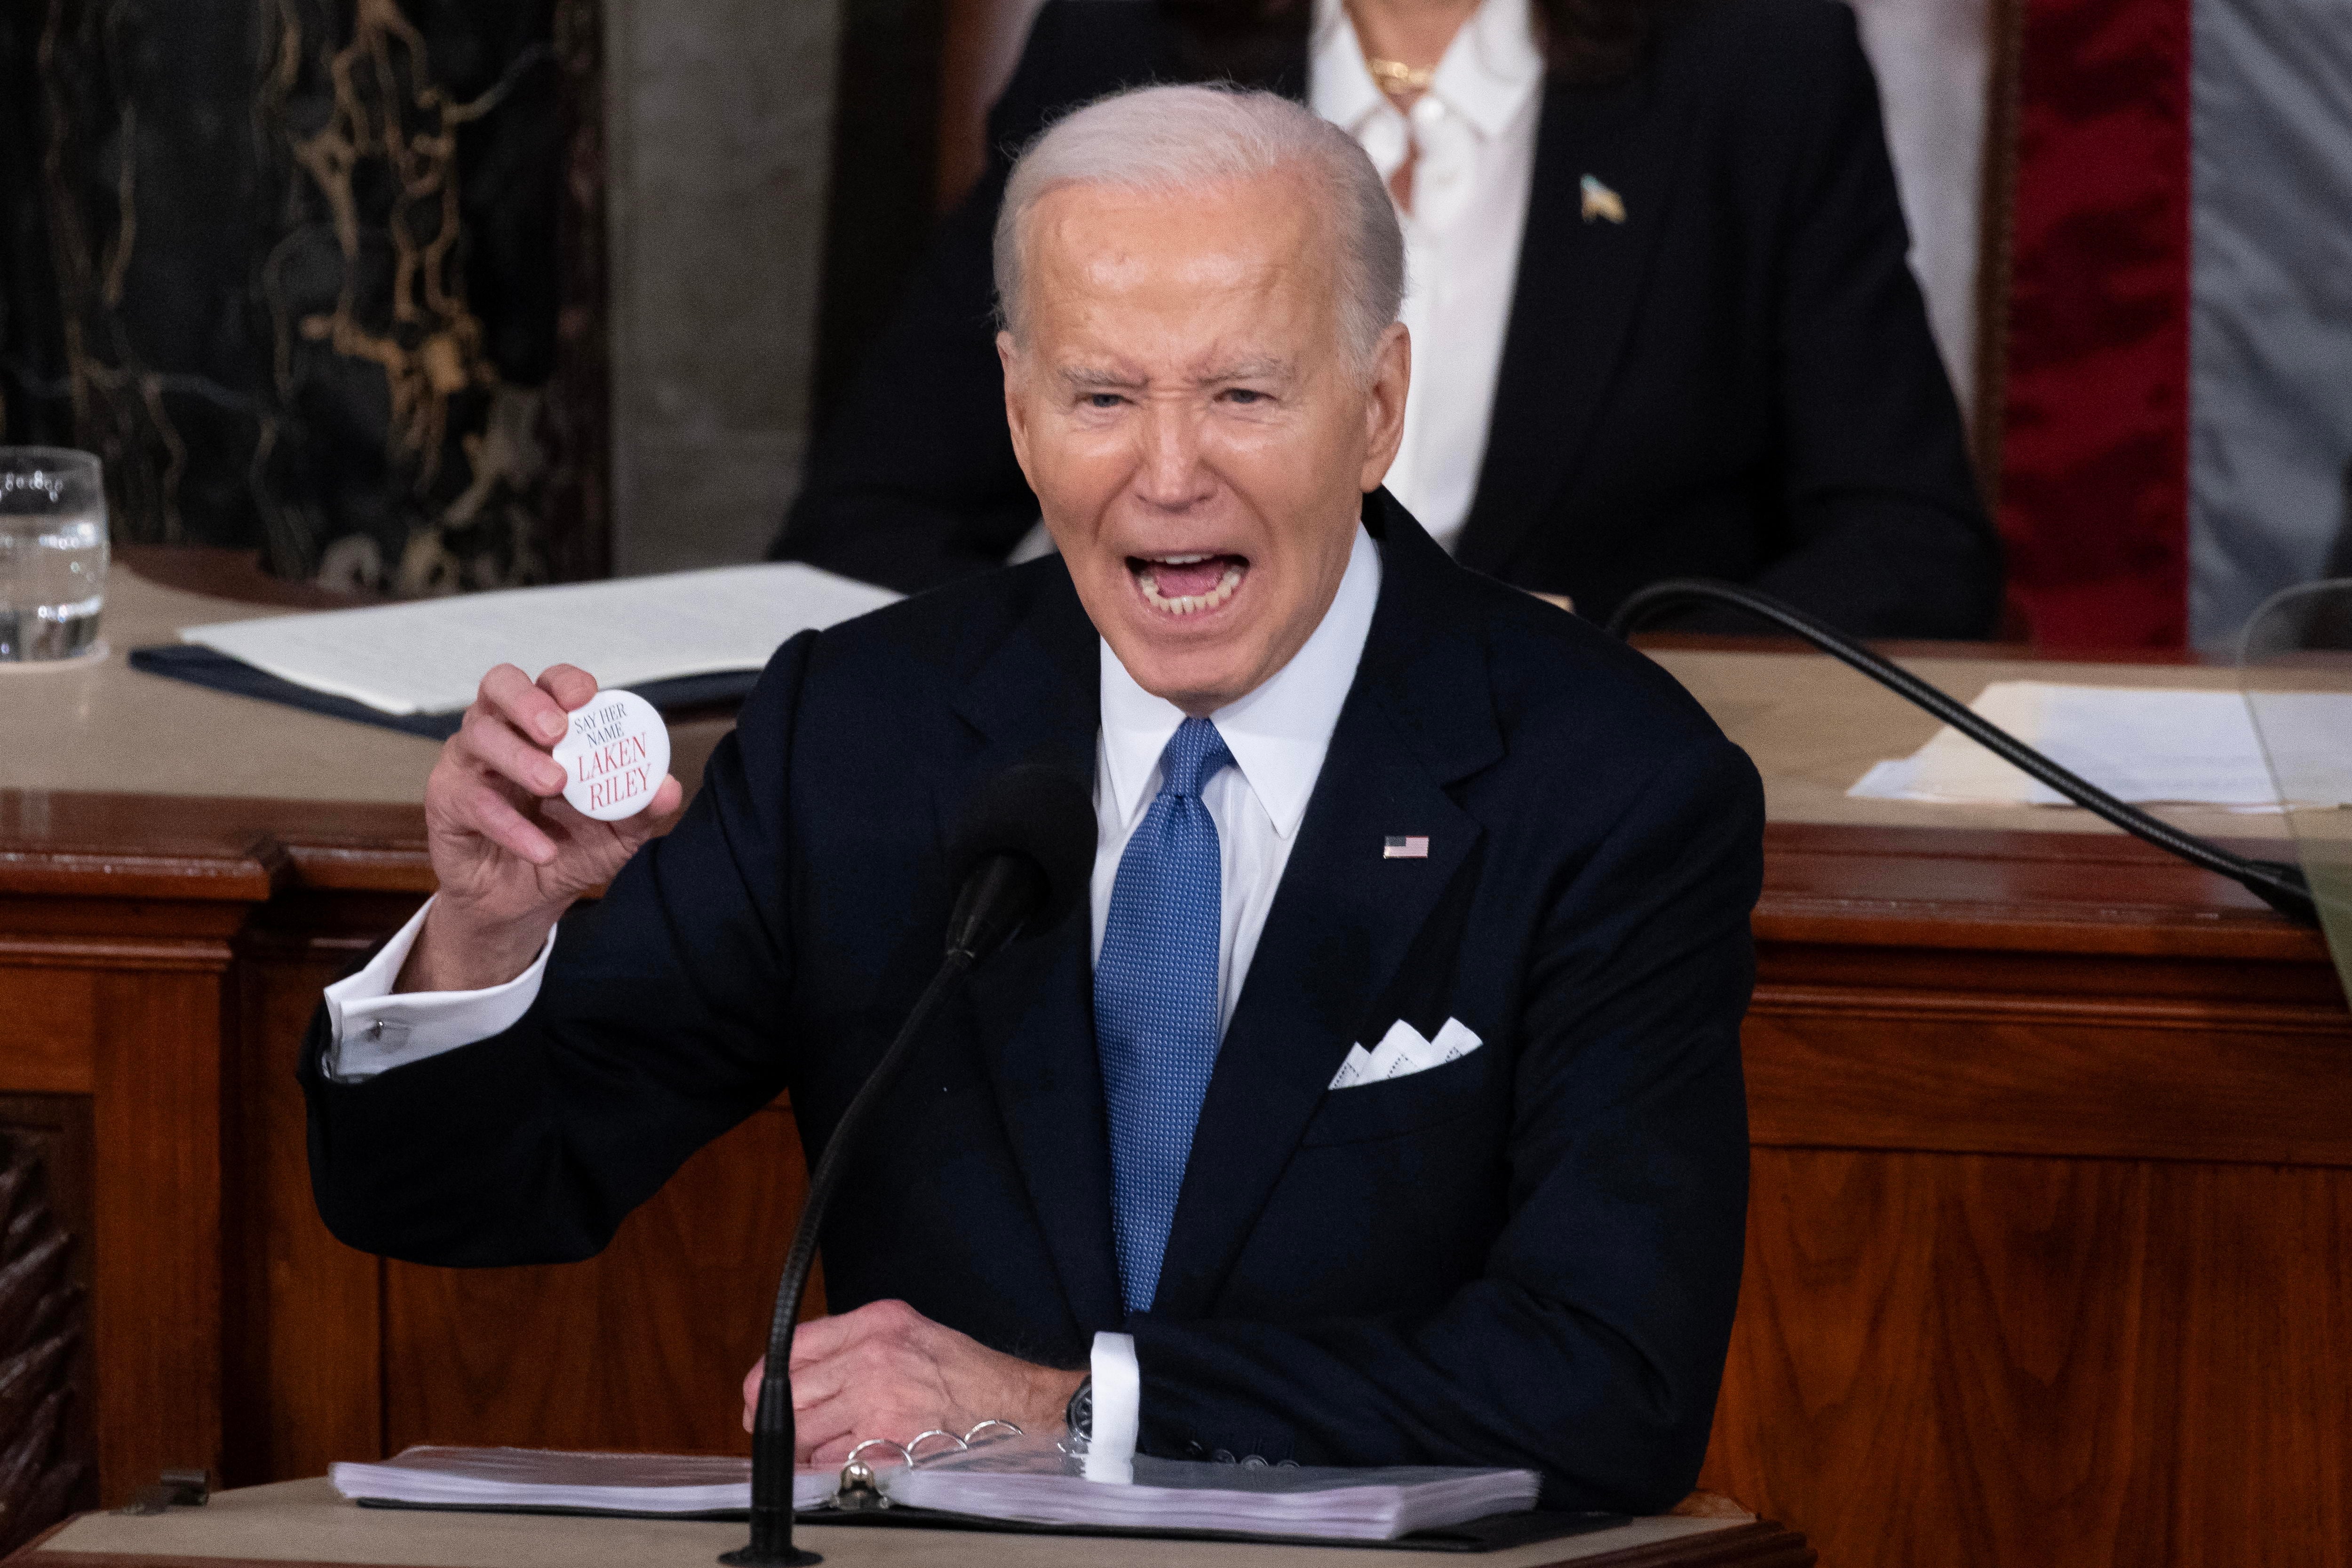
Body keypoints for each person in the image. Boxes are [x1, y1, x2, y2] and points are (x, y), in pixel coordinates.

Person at [303, 86, 1761, 1512]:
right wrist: (479, 942)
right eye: (1103, 397)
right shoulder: (861, 734)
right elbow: (471, 1198)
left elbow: (1608, 1383)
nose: (1169, 475)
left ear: (1375, 407)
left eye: (1244, 395)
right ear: (1016, 407)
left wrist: (1060, 1411)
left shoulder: (1609, 786)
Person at [775, 0, 2002, 639]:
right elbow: (872, 518)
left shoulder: (1761, 71)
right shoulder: (1122, 45)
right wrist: (1137, 643)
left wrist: (1592, 654)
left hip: (1572, 818)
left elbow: (1913, 552)